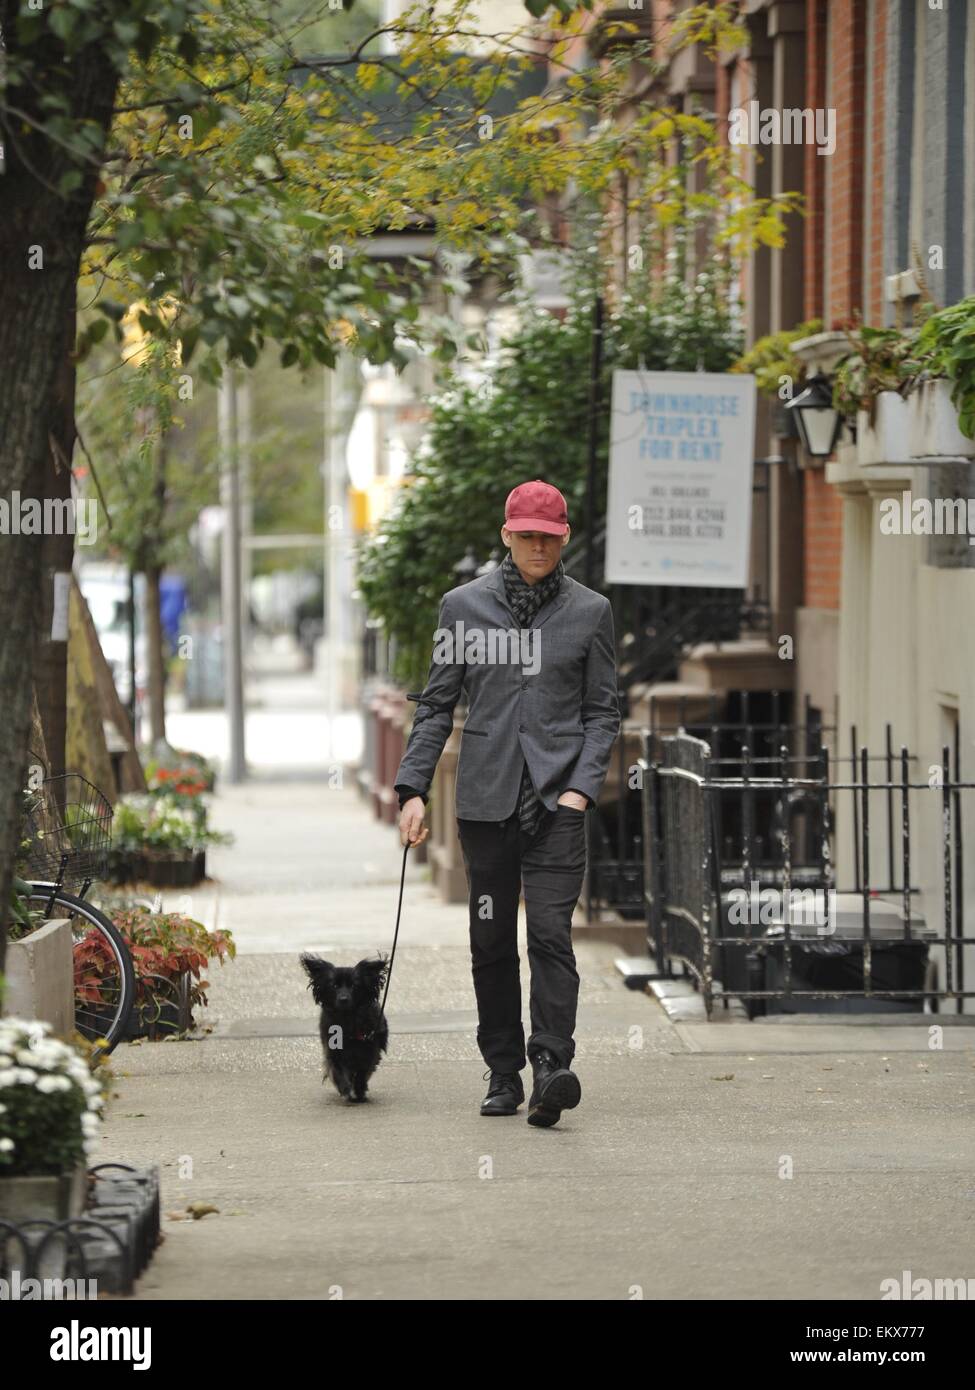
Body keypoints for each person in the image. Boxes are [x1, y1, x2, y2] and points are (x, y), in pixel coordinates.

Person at [394, 479, 621, 1127]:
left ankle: (550, 1065)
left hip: (558, 806)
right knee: (491, 941)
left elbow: (602, 712)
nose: (536, 547)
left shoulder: (590, 612)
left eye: (547, 537)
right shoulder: (461, 609)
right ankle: (502, 1071)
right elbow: (437, 704)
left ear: (564, 538)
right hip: (486, 805)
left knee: (550, 935)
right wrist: (411, 789)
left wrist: (581, 789)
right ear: (506, 535)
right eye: (525, 535)